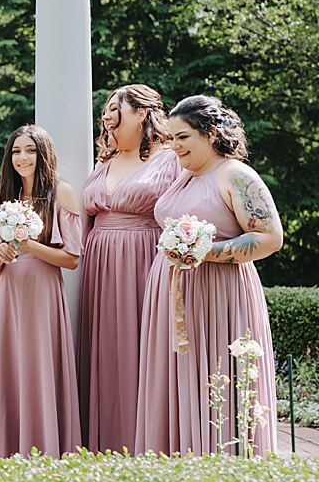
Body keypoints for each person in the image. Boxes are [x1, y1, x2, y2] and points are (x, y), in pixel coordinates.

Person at [136, 96, 282, 456]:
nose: (174, 146)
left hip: (219, 296)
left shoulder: (235, 174)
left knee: (217, 379)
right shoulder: (184, 176)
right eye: (170, 138)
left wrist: (206, 252)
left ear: (210, 134)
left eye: (182, 137)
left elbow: (270, 237)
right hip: (173, 294)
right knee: (173, 382)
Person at [77, 85, 180, 453]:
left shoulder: (170, 159)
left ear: (141, 113)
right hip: (100, 265)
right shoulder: (103, 162)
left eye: (114, 110)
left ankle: (146, 440)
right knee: (106, 351)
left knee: (141, 347)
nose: (107, 118)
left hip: (143, 260)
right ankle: (106, 442)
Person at [0, 125, 83, 459]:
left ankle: (45, 453)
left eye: (30, 150)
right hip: (10, 292)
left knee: (40, 367)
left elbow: (71, 258)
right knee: (12, 370)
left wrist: (27, 245)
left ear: (43, 154)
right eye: (16, 151)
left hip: (42, 293)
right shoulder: (6, 198)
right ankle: (9, 456)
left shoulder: (60, 193)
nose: (22, 158)